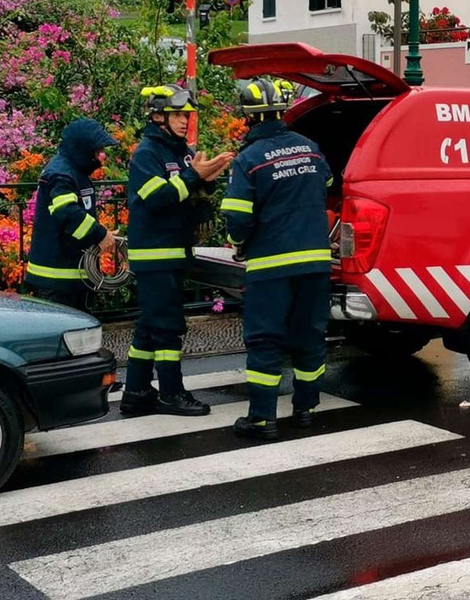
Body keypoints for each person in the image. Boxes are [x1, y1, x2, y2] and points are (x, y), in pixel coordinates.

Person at [224, 78, 333, 440]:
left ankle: (261, 418)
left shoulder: (249, 160)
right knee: (309, 337)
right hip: (316, 263)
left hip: (271, 267)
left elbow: (237, 218)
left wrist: (237, 241)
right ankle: (305, 409)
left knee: (266, 341)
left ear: (248, 118)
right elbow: (331, 188)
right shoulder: (311, 150)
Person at [118, 84, 233, 417]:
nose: (185, 121)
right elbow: (157, 198)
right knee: (167, 326)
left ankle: (136, 392)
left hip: (172, 252)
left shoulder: (179, 149)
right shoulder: (147, 154)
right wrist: (192, 175)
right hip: (155, 255)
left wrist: (206, 177)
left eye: (186, 115)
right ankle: (171, 393)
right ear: (158, 116)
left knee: (150, 325)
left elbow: (187, 188)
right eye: (178, 115)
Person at [24, 117, 119, 313]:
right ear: (82, 149)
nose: (101, 156)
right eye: (97, 150)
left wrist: (100, 234)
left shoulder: (74, 171)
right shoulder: (60, 174)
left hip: (71, 275)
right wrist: (99, 234)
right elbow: (66, 213)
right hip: (57, 279)